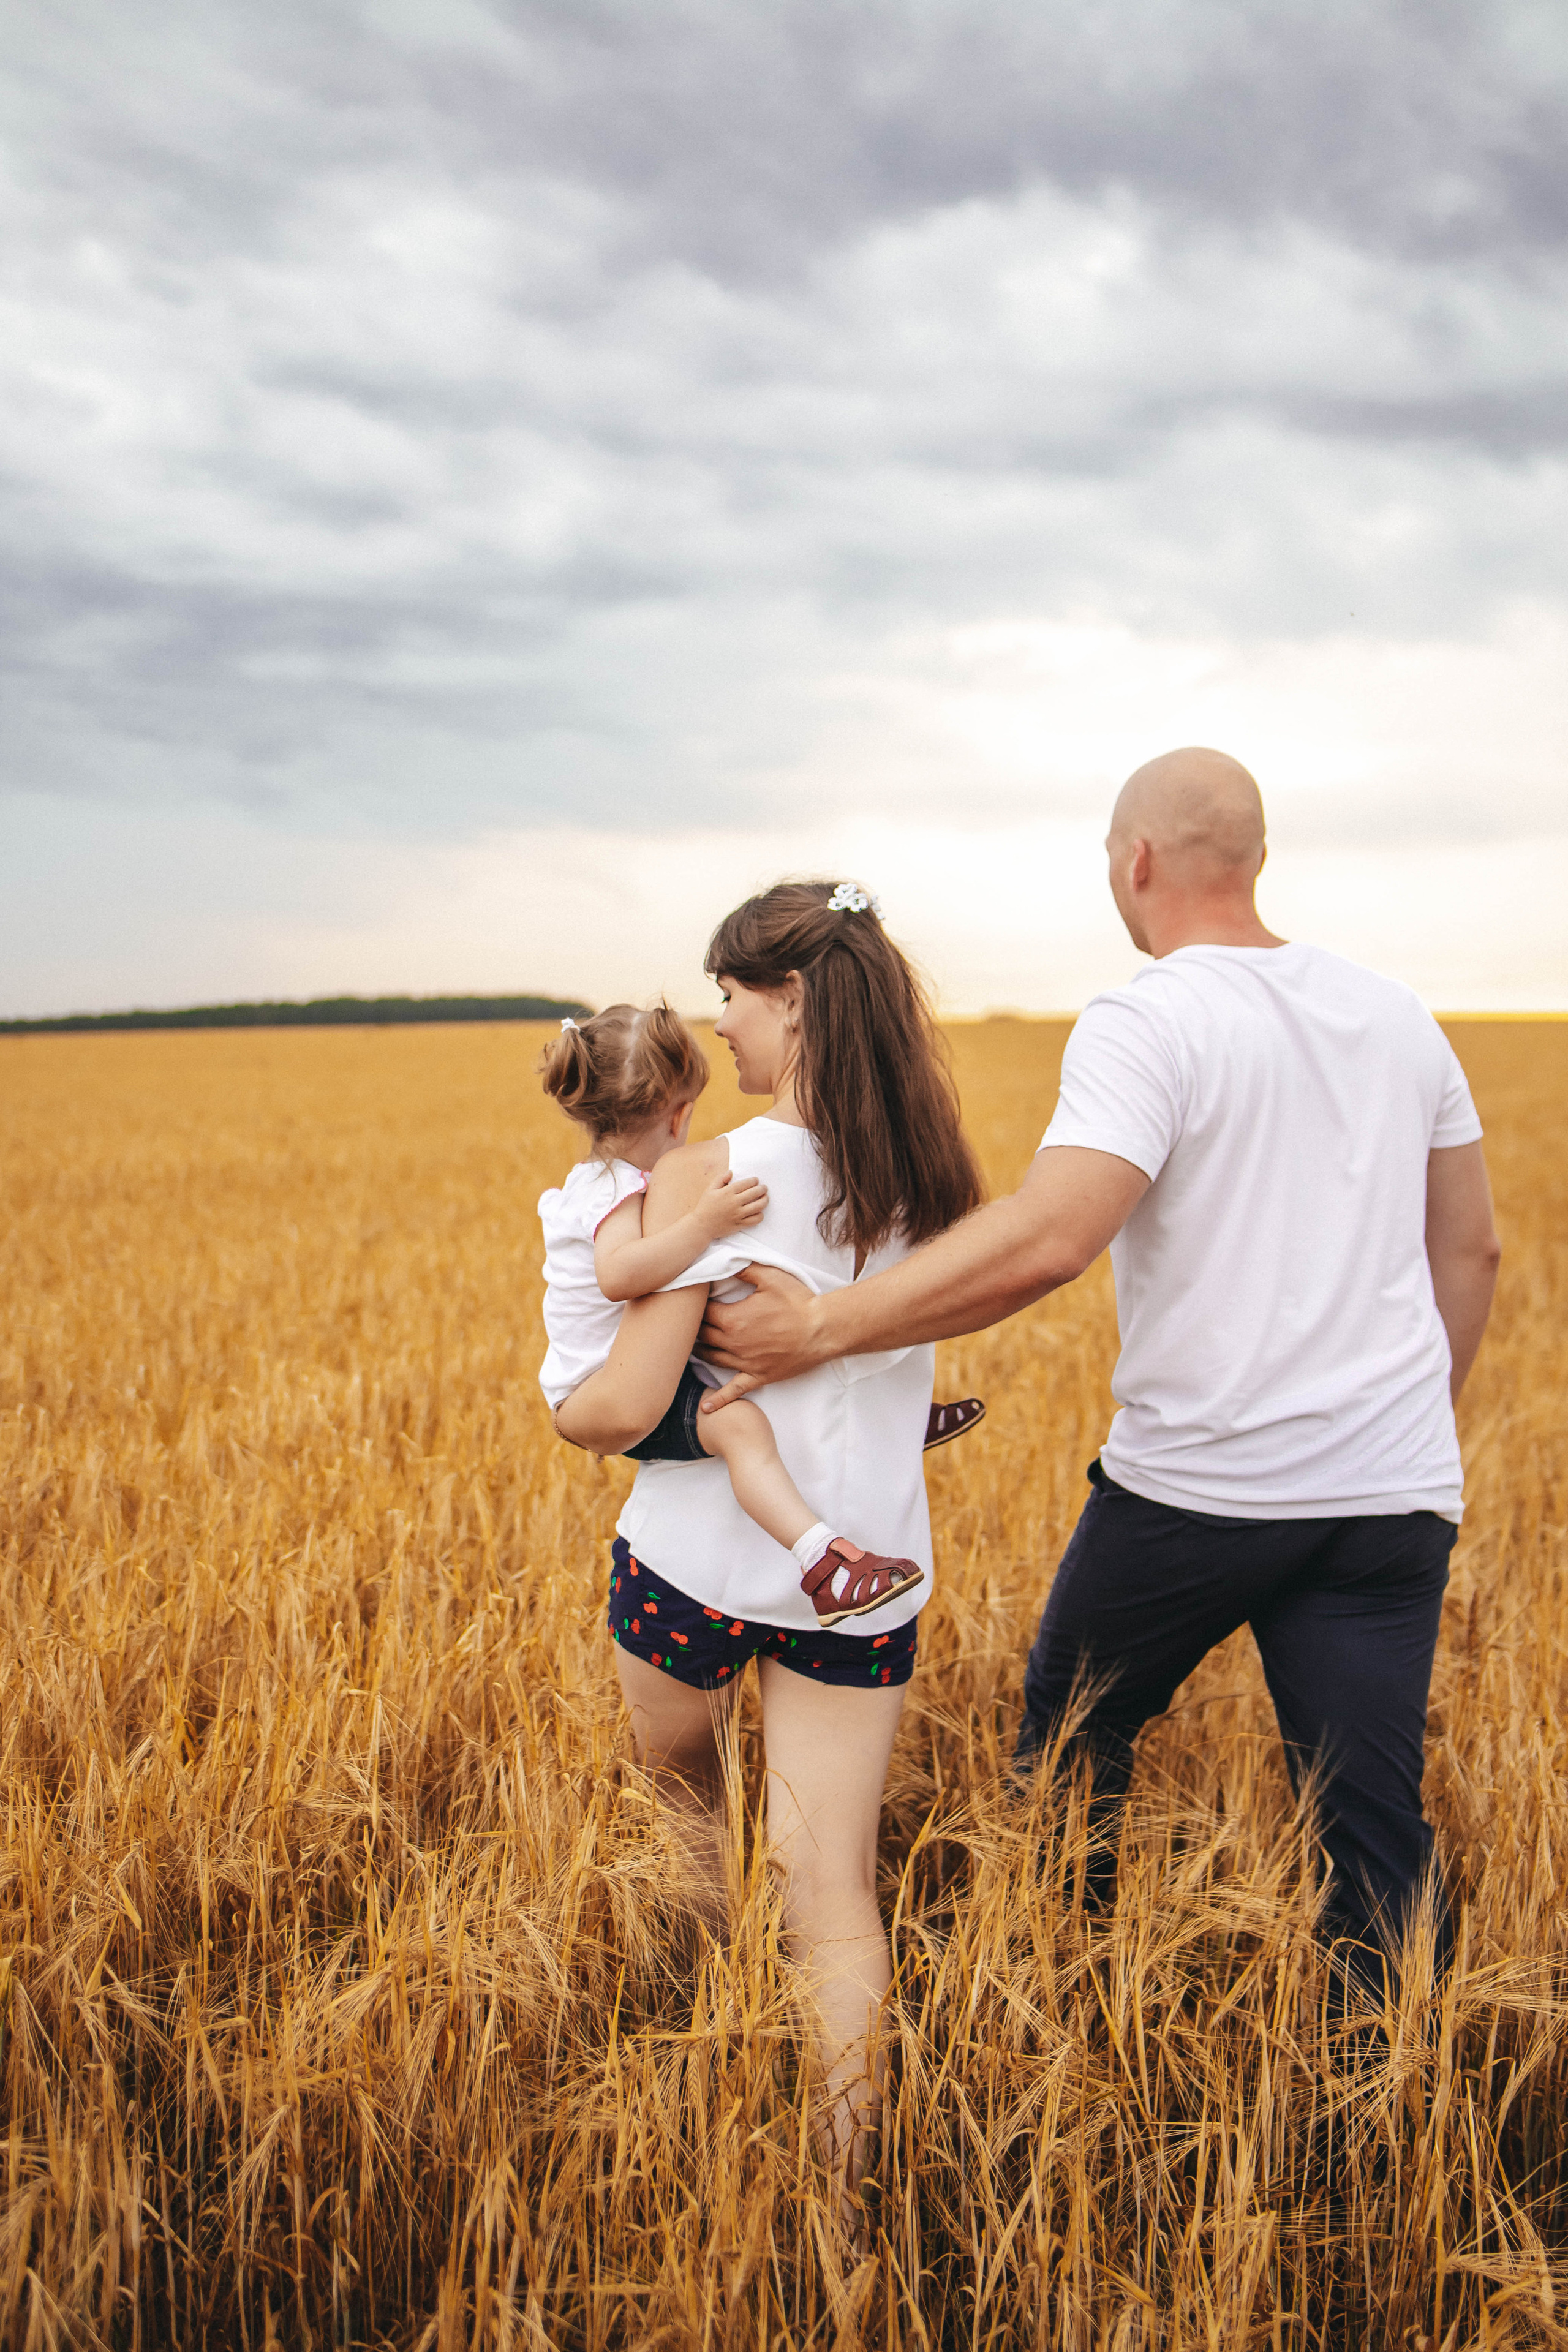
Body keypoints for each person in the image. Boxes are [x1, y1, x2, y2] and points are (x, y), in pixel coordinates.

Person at [696, 748, 1502, 1995]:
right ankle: (1395, 2091)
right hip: (1390, 1496)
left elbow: (1052, 1237)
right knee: (1371, 1819)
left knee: (1076, 1732)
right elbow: (1471, 1247)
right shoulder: (1397, 1015)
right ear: (1256, 858)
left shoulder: (1151, 1017)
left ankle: (1069, 1995)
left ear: (1137, 862)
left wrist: (824, 1329)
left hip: (1197, 1492)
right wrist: (1403, 1428)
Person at [560, 883, 985, 2211]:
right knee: (832, 1889)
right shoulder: (928, 1177)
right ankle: (847, 2195)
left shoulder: (709, 1177)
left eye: (731, 996)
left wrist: (566, 1407)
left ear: (790, 999)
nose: (721, 1025)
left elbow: (627, 1404)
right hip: (858, 1584)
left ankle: (697, 2069)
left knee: (686, 1819)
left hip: (690, 1567)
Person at [539, 1001, 926, 1624]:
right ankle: (822, 1562)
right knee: (740, 1425)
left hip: (619, 1377)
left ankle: (885, 1409)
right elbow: (619, 1276)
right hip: (593, 1388)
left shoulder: (605, 1180)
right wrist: (703, 1224)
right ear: (678, 1114)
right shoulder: (610, 1189)